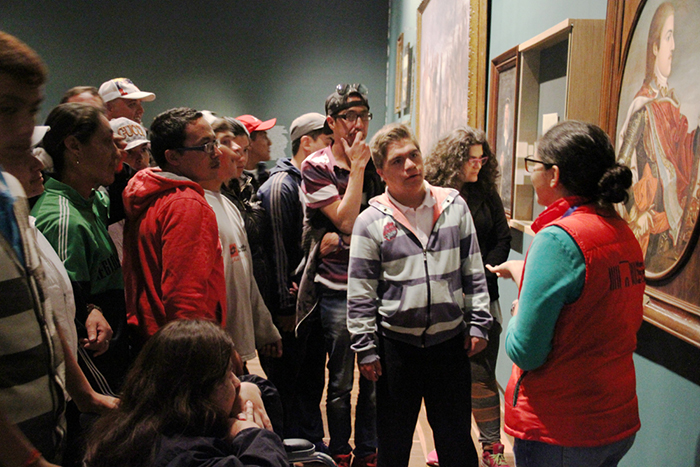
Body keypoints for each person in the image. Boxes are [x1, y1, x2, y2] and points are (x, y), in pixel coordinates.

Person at [488, 120, 645, 467]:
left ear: (554, 174)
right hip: (614, 415)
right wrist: (522, 274)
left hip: (563, 427)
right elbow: (591, 310)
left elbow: (525, 351)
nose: (532, 174)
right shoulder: (622, 232)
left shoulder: (559, 239)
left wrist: (517, 310)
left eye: (535, 166)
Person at [0, 31, 116, 467]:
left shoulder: (11, 195)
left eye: (29, 109)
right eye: (5, 109)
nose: (21, 129)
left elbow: (42, 311)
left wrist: (84, 395)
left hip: (48, 431)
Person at [348, 123, 491, 467]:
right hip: (397, 348)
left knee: (456, 441)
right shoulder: (370, 221)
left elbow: (473, 268)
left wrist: (479, 323)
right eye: (398, 161)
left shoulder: (453, 206)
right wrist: (365, 347)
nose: (410, 165)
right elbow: (361, 290)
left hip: (449, 344)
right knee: (394, 443)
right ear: (381, 171)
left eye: (414, 155)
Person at [298, 83, 383, 467]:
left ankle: (368, 449)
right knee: (341, 380)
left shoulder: (379, 163)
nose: (357, 125)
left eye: (363, 115)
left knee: (374, 378)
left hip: (377, 287)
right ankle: (340, 450)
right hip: (336, 289)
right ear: (331, 123)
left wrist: (348, 238)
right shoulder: (317, 166)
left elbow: (383, 226)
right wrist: (360, 168)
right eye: (349, 117)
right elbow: (348, 218)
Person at [83, 319, 288, 467]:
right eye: (228, 375)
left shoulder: (143, 425)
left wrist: (248, 388)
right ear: (197, 391)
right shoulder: (185, 456)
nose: (236, 382)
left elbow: (261, 389)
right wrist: (248, 433)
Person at [424, 127, 512, 467]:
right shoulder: (435, 195)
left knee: (482, 371)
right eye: (470, 159)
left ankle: (492, 447)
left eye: (481, 158)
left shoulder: (485, 193)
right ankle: (449, 444)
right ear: (453, 160)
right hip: (446, 296)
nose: (477, 165)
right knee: (447, 380)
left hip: (483, 293)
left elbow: (502, 237)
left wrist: (482, 270)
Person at [32, 103, 129, 395]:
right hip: (96, 378)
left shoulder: (92, 200)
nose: (117, 152)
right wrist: (100, 398)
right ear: (74, 146)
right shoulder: (62, 219)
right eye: (106, 142)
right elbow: (67, 316)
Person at [121, 107, 227, 346]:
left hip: (156, 338)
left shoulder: (152, 193)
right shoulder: (185, 204)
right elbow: (184, 298)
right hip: (184, 346)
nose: (217, 153)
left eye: (215, 143)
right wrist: (208, 351)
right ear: (173, 157)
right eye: (206, 146)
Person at [257, 112, 332, 445]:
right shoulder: (280, 186)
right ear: (307, 143)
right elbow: (275, 252)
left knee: (310, 381)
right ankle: (288, 449)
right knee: (289, 387)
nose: (331, 150)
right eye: (327, 142)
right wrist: (286, 307)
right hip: (290, 313)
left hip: (307, 304)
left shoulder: (306, 183)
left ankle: (310, 446)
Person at [617, 2, 699, 268]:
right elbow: (621, 167)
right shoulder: (643, 109)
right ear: (654, 47)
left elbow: (684, 157)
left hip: (670, 237)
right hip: (647, 235)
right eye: (668, 36)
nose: (673, 46)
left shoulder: (672, 107)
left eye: (673, 35)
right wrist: (635, 212)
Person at [202, 116, 282, 366]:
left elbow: (245, 271)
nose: (237, 151)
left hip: (238, 331)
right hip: (216, 341)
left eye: (244, 148)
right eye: (224, 142)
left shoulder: (230, 202)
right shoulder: (197, 205)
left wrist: (263, 326)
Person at [236, 113, 276, 191]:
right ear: (248, 142)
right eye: (264, 137)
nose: (269, 142)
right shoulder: (232, 182)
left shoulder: (268, 176)